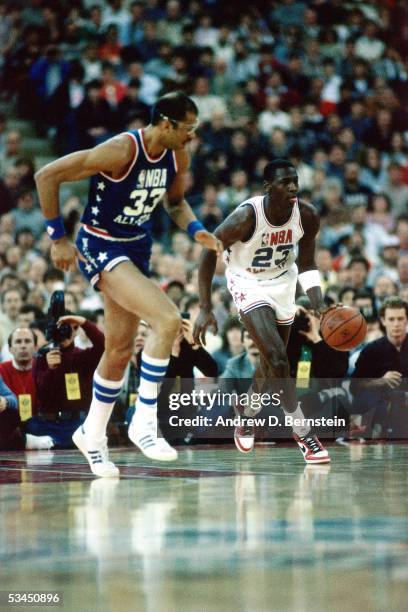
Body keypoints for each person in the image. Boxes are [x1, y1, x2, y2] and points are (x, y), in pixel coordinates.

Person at [35, 91, 221, 477]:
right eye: (188, 129)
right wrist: (58, 237)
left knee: (119, 349)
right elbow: (47, 174)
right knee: (168, 319)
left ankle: (92, 434)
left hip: (136, 247)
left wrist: (198, 231)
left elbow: (174, 203)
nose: (192, 137)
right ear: (166, 124)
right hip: (100, 243)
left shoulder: (177, 155)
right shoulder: (121, 149)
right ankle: (144, 420)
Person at [194, 158, 334, 464]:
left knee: (273, 363)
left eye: (295, 180)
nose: (294, 187)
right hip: (247, 282)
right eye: (285, 182)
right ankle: (302, 431)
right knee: (278, 357)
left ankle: (247, 411)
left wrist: (318, 300)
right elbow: (207, 253)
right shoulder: (246, 217)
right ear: (268, 188)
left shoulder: (307, 215)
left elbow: (307, 263)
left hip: (284, 282)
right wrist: (204, 307)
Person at [30, 314, 105, 449]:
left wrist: (83, 322)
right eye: (58, 330)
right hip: (46, 423)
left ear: (75, 332)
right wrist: (51, 370)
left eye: (67, 329)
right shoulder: (42, 357)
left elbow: (103, 345)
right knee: (30, 427)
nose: (62, 334)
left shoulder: (82, 356)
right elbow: (40, 390)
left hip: (75, 422)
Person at [350, 296, 408, 438]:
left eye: (400, 319)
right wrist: (380, 381)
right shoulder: (371, 350)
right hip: (381, 408)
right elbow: (354, 387)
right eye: (391, 319)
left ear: (407, 320)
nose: (396, 324)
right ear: (383, 321)